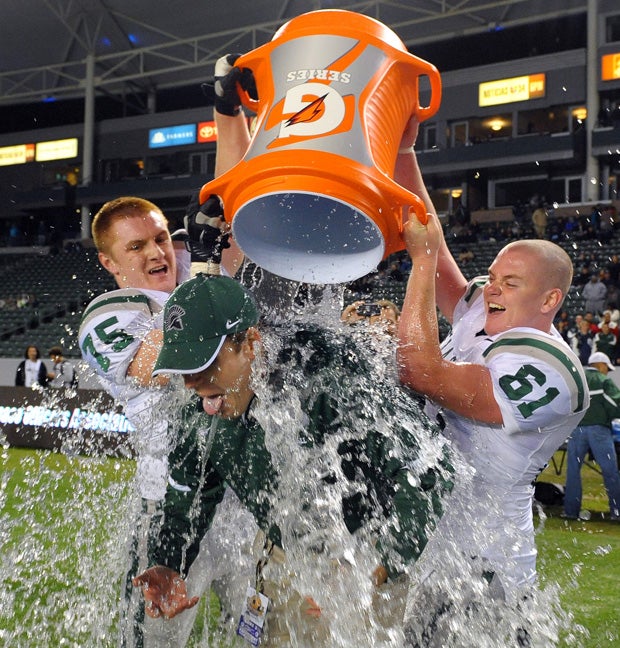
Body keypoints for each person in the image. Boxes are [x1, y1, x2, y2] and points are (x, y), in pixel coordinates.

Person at [131, 273, 454, 645]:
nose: (191, 383)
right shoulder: (197, 406)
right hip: (281, 549)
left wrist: (388, 561)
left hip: (359, 554)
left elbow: (430, 464)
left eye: (203, 364)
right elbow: (187, 493)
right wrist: (170, 561)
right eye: (183, 366)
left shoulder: (330, 373)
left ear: (251, 343)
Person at [394, 118, 588, 642]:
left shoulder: (547, 366)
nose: (493, 289)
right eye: (495, 277)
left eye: (511, 282)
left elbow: (421, 371)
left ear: (549, 300)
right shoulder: (486, 310)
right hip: (438, 549)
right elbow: (440, 262)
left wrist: (422, 256)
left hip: (487, 566)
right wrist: (403, 149)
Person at [563, 351, 620, 521]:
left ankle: (571, 512)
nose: (607, 371)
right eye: (606, 368)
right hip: (599, 432)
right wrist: (609, 417)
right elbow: (616, 403)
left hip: (576, 430)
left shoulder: (577, 379)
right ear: (601, 365)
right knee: (610, 472)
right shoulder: (604, 381)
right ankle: (616, 512)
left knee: (573, 472)